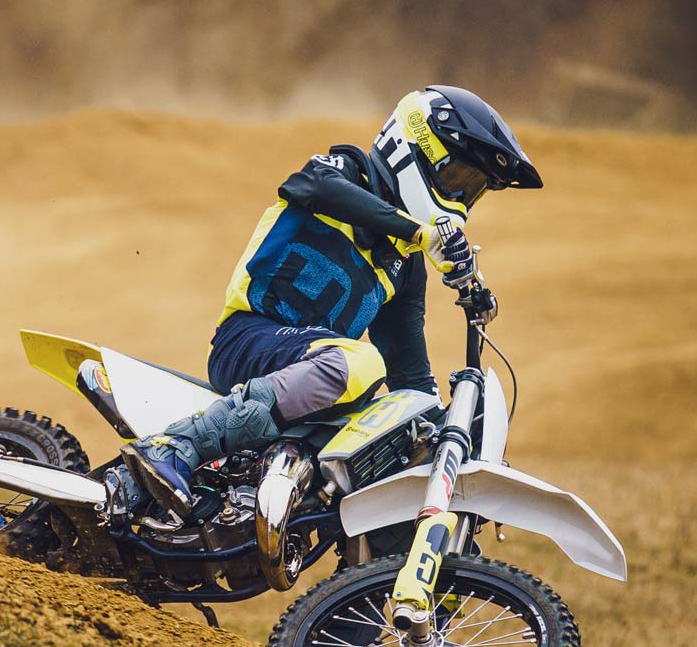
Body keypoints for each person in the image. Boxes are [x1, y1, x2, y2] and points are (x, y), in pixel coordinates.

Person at [119, 85, 542, 518]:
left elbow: (410, 380)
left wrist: (452, 431)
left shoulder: (406, 266)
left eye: (472, 191)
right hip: (247, 340)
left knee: (398, 425)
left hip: (308, 383)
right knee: (363, 363)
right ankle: (177, 444)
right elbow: (317, 187)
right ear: (412, 149)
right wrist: (418, 232)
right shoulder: (342, 171)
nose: (460, 200)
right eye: (457, 179)